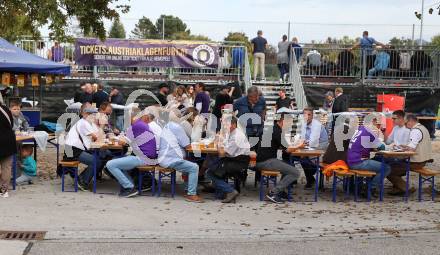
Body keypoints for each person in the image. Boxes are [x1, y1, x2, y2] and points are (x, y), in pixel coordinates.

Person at [106, 109, 157, 198]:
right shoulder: (141, 125)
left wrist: (113, 137)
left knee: (110, 164)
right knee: (117, 162)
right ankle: (130, 185)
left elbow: (123, 141)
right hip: (148, 156)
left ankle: (129, 187)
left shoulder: (136, 125)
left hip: (142, 158)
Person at [256, 112, 304, 203]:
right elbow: (288, 150)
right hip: (267, 161)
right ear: (283, 121)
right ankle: (274, 193)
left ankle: (281, 191)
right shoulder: (277, 131)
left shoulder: (273, 128)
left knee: (287, 166)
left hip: (263, 160)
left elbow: (281, 145)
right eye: (289, 122)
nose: (290, 125)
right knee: (295, 173)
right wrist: (299, 146)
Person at [387, 114, 433, 196]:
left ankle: (406, 188)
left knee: (388, 170)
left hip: (416, 161)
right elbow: (415, 145)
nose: (405, 125)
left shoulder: (415, 130)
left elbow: (411, 149)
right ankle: (398, 188)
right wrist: (404, 146)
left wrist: (400, 149)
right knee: (394, 165)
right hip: (423, 159)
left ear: (411, 121)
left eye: (406, 123)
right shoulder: (422, 128)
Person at [207, 116, 250, 203]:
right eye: (224, 124)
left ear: (233, 125)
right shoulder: (232, 132)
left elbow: (223, 153)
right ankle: (220, 190)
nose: (225, 126)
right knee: (212, 163)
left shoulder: (236, 136)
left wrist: (219, 145)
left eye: (227, 124)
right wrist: (219, 141)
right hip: (233, 159)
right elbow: (223, 145)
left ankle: (230, 191)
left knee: (210, 172)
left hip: (238, 162)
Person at [158, 121, 203, 203]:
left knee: (188, 163)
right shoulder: (177, 127)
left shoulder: (168, 125)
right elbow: (187, 145)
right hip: (170, 159)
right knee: (194, 167)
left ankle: (188, 189)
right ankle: (191, 194)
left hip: (165, 158)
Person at [64, 104, 107, 191]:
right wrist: (102, 124)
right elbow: (98, 137)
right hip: (73, 151)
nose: (93, 116)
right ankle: (82, 181)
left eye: (93, 114)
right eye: (90, 114)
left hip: (77, 149)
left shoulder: (88, 123)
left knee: (101, 158)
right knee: (96, 161)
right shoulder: (83, 123)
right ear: (84, 114)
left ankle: (81, 179)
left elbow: (100, 135)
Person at [347, 116, 391, 197]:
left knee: (377, 160)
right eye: (376, 122)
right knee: (386, 168)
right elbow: (382, 147)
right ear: (372, 121)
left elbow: (365, 145)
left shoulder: (360, 129)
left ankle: (367, 186)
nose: (377, 125)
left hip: (351, 161)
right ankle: (370, 188)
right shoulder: (368, 131)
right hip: (358, 162)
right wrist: (392, 146)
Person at [381, 110, 411, 195]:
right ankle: (400, 187)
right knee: (378, 159)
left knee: (385, 168)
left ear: (401, 118)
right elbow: (388, 141)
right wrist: (384, 132)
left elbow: (406, 147)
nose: (392, 120)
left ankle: (405, 188)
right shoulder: (395, 128)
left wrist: (394, 147)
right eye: (392, 118)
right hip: (394, 154)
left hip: (403, 157)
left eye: (394, 118)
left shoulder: (407, 130)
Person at [298, 107, 329, 189]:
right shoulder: (304, 124)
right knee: (289, 155)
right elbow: (302, 138)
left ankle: (311, 176)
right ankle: (294, 180)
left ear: (312, 116)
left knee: (302, 158)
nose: (307, 117)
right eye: (305, 115)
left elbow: (312, 142)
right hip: (311, 149)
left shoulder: (316, 125)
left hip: (321, 151)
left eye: (309, 115)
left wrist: (301, 144)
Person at [233, 86, 266, 150]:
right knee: (246, 153)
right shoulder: (240, 101)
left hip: (258, 131)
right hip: (245, 132)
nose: (257, 99)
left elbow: (264, 109)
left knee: (258, 153)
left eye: (258, 96)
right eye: (255, 98)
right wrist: (236, 120)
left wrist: (262, 118)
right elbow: (231, 110)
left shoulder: (262, 100)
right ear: (249, 96)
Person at [0, 99, 17, 198]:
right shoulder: (6, 109)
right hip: (8, 141)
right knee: (6, 167)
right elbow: (12, 125)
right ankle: (4, 190)